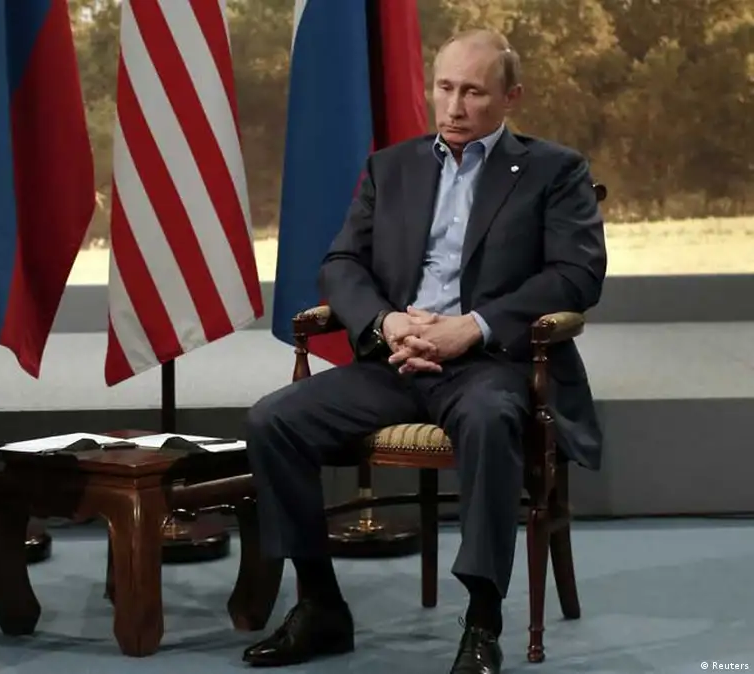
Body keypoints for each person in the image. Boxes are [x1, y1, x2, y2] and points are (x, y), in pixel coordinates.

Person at [240, 29, 606, 673]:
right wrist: (385, 324)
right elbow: (341, 263)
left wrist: (472, 327)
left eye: (474, 92)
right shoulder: (392, 167)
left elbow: (575, 276)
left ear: (511, 97)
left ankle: (482, 620)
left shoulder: (554, 170)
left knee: (490, 420)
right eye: (445, 88)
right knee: (274, 420)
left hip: (491, 364)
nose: (455, 106)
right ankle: (321, 605)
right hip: (397, 359)